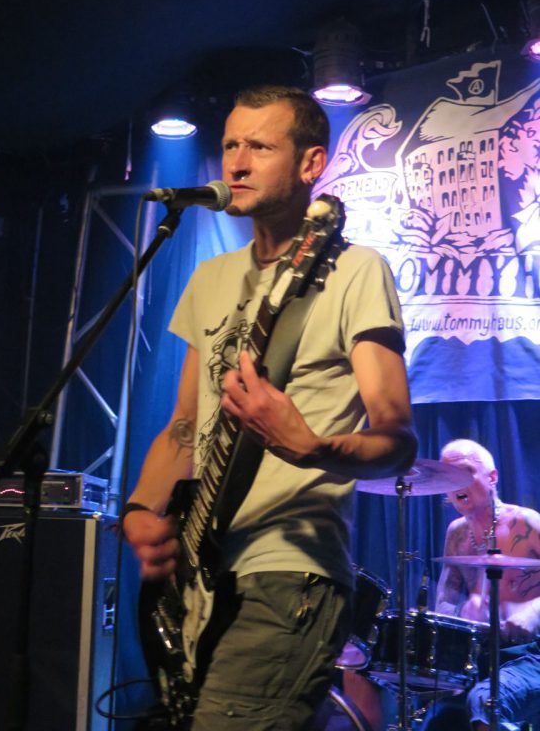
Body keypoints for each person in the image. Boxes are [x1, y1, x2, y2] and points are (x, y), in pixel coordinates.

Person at [122, 84, 417, 731]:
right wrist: (142, 509)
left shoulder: (356, 271)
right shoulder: (211, 279)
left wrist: (313, 447)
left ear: (312, 163)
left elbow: (398, 438)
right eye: (230, 145)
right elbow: (183, 427)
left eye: (259, 146)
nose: (236, 163)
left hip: (290, 574)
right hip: (200, 576)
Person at [422, 438, 540, 731]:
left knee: (485, 700)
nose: (456, 482)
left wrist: (532, 612)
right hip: (482, 658)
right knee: (437, 717)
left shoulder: (527, 523)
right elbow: (447, 598)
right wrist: (458, 619)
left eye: (466, 471)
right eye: (449, 476)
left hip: (532, 654)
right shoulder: (456, 533)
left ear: (492, 477)